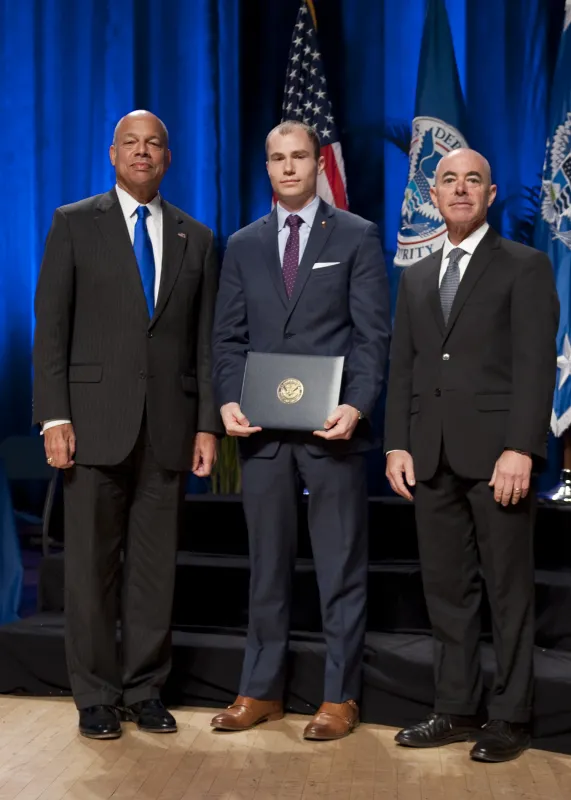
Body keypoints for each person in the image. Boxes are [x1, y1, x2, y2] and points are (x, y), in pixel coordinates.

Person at [33, 110, 222, 739]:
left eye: (155, 145)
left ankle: (145, 691)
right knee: (90, 569)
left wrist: (206, 426)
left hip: (168, 428)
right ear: (113, 154)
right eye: (131, 144)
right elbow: (51, 331)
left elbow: (203, 345)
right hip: (90, 427)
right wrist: (54, 415)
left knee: (153, 569)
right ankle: (94, 695)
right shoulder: (73, 223)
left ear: (168, 158)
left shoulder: (197, 236)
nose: (143, 153)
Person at [210, 120, 391, 740]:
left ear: (318, 163)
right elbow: (228, 338)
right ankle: (261, 691)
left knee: (340, 565)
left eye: (298, 157)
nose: (288, 168)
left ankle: (340, 696)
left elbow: (372, 336)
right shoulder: (243, 244)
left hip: (331, 430)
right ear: (267, 167)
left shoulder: (358, 237)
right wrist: (228, 400)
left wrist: (358, 406)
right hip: (261, 433)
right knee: (267, 565)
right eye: (277, 159)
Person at [385, 148, 559, 763]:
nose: (460, 190)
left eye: (473, 181)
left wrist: (521, 448)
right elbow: (403, 366)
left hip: (497, 460)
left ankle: (511, 716)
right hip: (429, 457)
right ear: (432, 196)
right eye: (449, 180)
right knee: (447, 590)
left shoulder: (525, 266)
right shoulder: (413, 277)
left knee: (508, 591)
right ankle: (455, 708)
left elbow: (536, 367)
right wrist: (397, 443)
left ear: (490, 195)